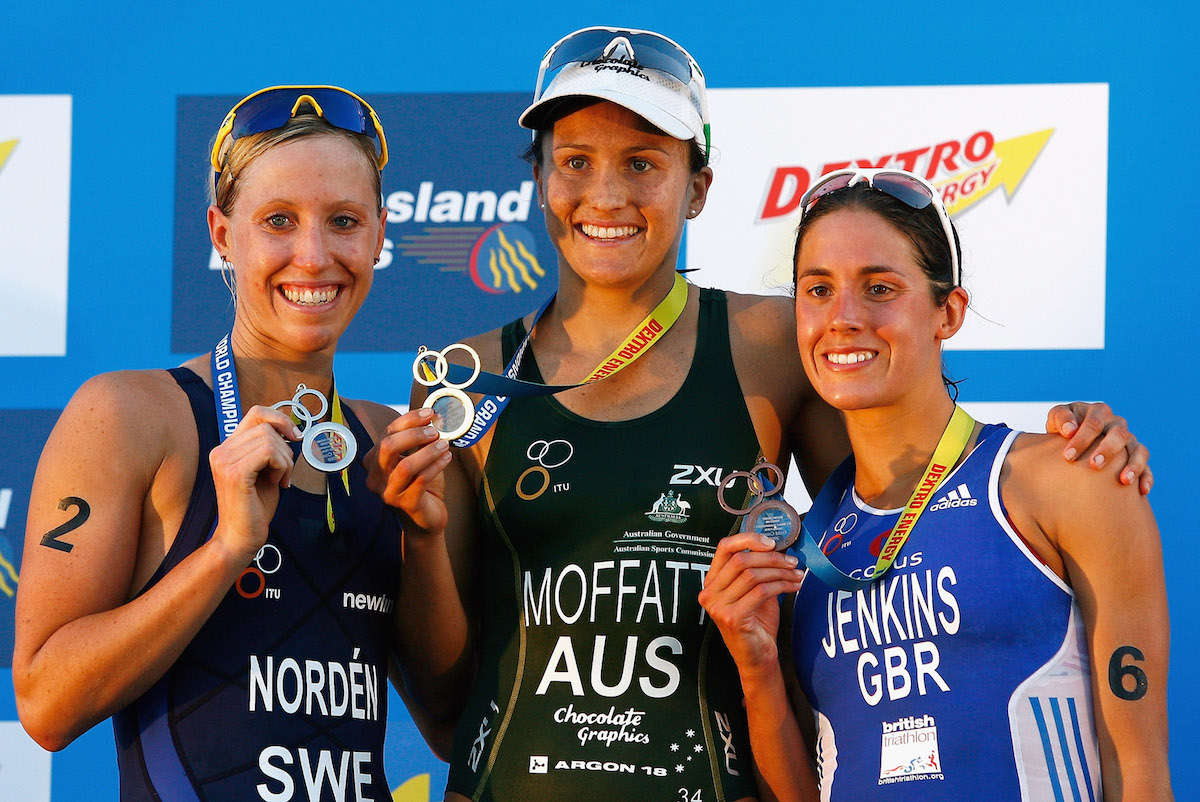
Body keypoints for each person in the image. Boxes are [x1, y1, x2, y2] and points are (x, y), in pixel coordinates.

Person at [367, 28, 1153, 802]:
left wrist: (1070, 445)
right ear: (539, 179)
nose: (606, 195)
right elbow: (443, 711)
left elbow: (911, 504)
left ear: (698, 187)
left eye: (643, 163)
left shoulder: (775, 340)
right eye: (575, 162)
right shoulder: (468, 381)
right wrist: (421, 538)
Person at [13, 85, 461, 800]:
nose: (313, 256)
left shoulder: (387, 442)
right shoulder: (131, 415)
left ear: (380, 235)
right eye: (278, 221)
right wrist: (224, 549)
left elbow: (448, 725)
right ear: (223, 234)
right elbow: (45, 705)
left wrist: (425, 542)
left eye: (343, 221)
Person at [699, 168, 1171, 800]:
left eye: (879, 288)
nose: (843, 317)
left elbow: (1141, 772)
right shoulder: (802, 554)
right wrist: (758, 672)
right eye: (817, 290)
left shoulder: (1065, 482)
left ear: (947, 311)